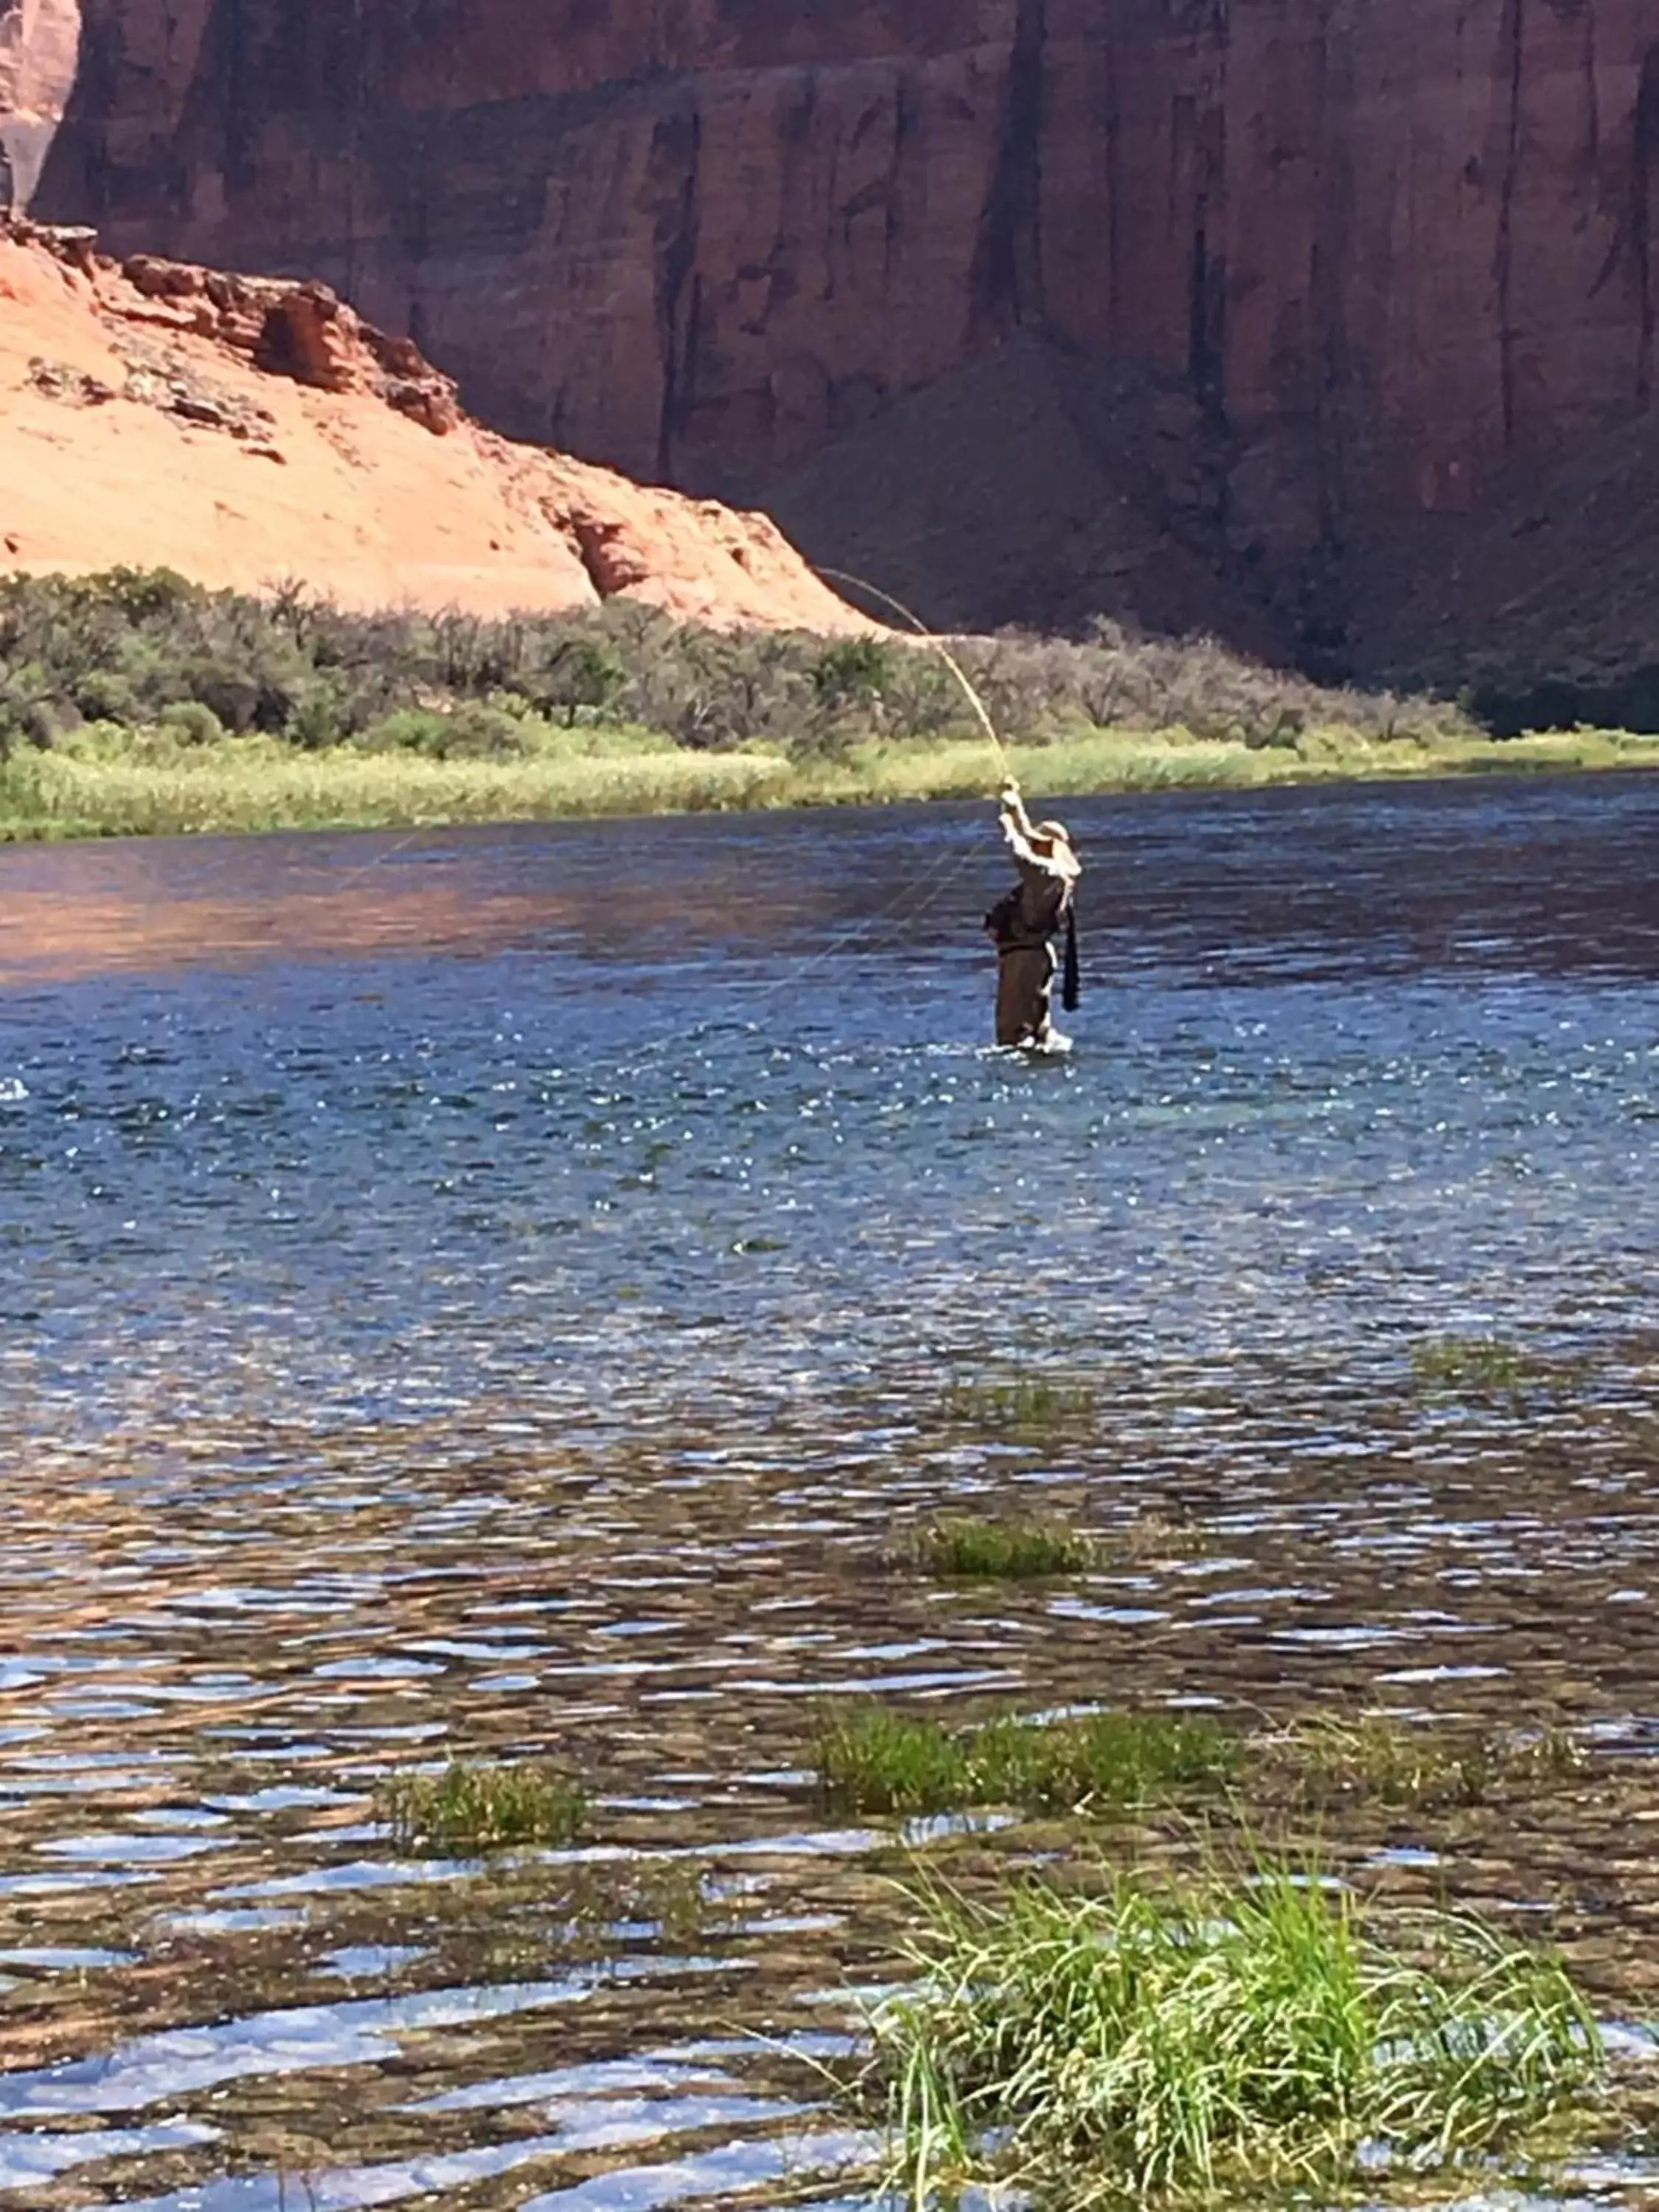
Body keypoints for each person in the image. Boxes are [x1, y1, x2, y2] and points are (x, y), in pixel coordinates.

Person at [984, 779, 1082, 1051]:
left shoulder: (1049, 875)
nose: (1033, 842)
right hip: (1024, 956)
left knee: (1014, 1035)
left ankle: (1035, 1049)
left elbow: (1023, 856)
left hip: (1026, 959)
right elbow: (1028, 841)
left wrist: (1009, 830)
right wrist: (1014, 804)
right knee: (1027, 1028)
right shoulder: (1053, 871)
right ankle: (1044, 1042)